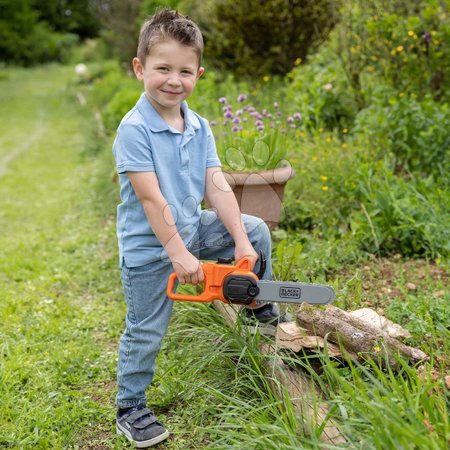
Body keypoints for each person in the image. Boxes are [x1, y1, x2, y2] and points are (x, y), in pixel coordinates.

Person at [112, 8, 291, 447]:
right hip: (151, 250)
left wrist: (242, 241)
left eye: (185, 71)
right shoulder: (134, 130)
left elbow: (218, 187)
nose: (174, 80)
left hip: (193, 230)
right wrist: (177, 252)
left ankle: (257, 310)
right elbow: (153, 201)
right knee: (146, 327)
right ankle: (130, 406)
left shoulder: (200, 126)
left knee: (256, 230)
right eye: (163, 69)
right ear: (140, 69)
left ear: (198, 73)